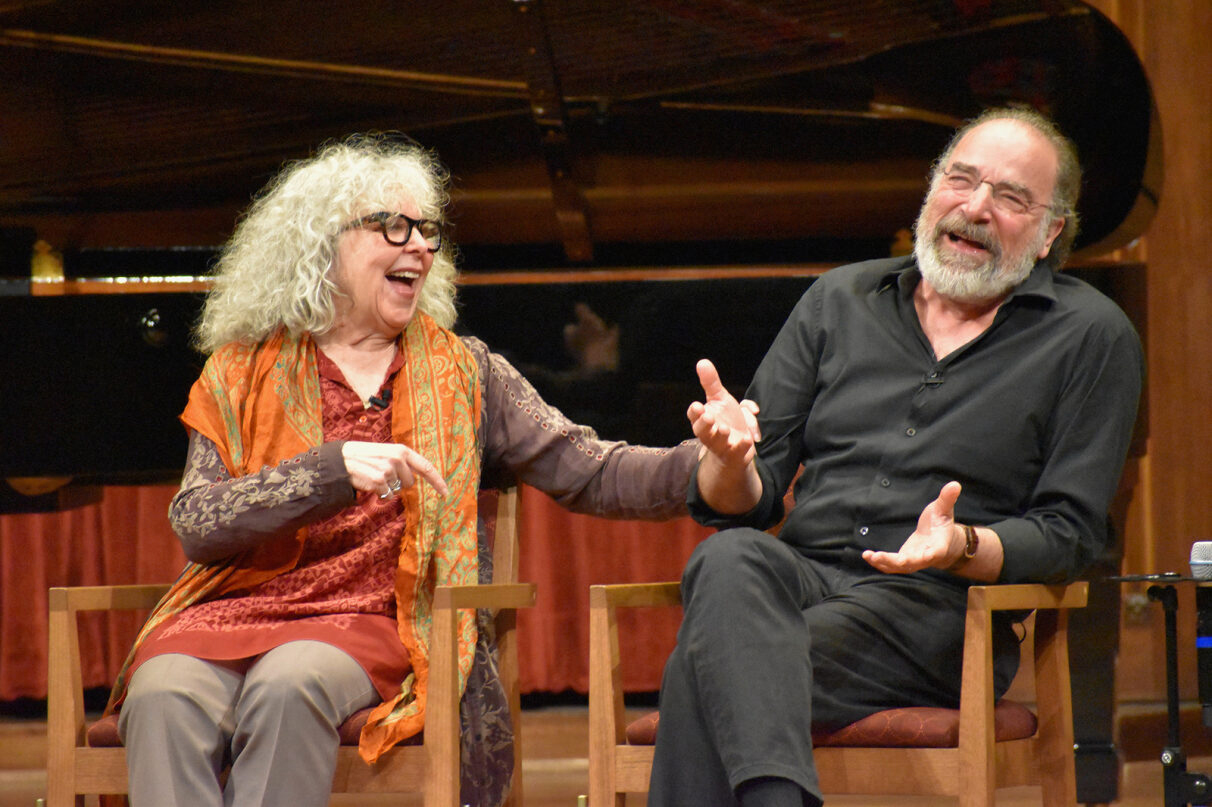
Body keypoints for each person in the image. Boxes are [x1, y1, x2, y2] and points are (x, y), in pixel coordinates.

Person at [107, 133, 698, 807]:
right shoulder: (240, 371)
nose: (418, 244)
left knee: (289, 681)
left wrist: (705, 466)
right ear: (321, 246)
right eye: (393, 225)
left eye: (426, 230)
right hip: (229, 609)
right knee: (163, 691)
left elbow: (594, 469)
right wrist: (329, 469)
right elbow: (196, 521)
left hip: (373, 620)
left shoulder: (466, 370)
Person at [649, 106, 1144, 807]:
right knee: (728, 560)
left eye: (1009, 197)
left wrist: (962, 543)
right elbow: (750, 501)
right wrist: (729, 465)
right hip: (798, 581)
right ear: (930, 188)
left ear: (1049, 233)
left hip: (938, 614)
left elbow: (1071, 532)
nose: (974, 207)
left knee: (704, 665)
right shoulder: (837, 300)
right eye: (960, 180)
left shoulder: (1092, 337)